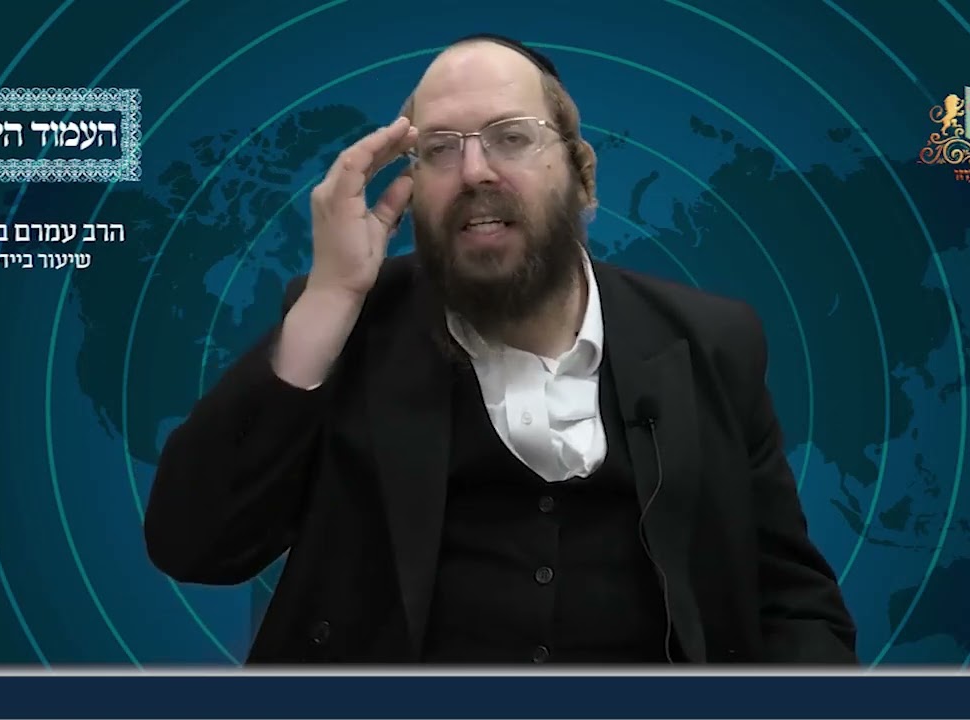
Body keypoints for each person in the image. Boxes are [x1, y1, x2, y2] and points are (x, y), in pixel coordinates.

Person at [143, 33, 857, 665]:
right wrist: (330, 296)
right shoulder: (346, 323)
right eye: (440, 149)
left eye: (511, 137)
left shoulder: (712, 343)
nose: (475, 171)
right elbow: (193, 545)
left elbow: (793, 603)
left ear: (582, 173)